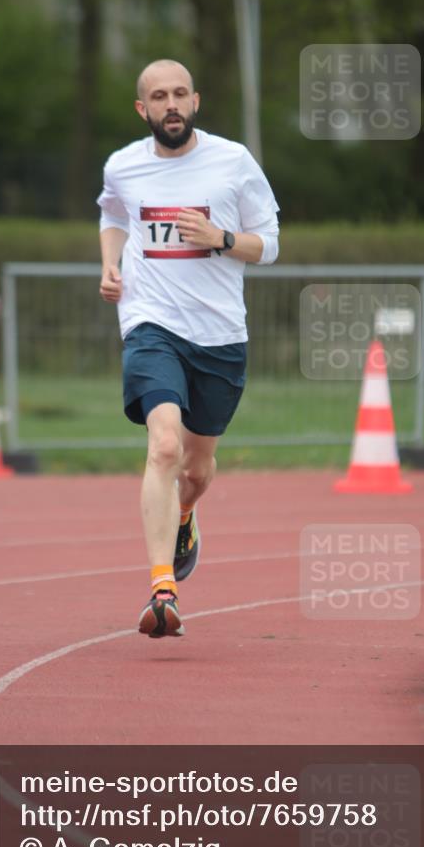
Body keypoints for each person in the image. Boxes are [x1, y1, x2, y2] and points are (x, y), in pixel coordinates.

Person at [97, 59, 280, 639]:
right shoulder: (123, 166)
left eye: (179, 94)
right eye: (158, 96)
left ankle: (184, 516)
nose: (170, 104)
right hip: (151, 324)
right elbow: (111, 212)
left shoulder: (232, 162)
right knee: (165, 444)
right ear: (142, 109)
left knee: (196, 470)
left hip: (220, 336)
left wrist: (221, 239)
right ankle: (161, 588)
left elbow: (270, 246)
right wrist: (108, 261)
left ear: (195, 101)